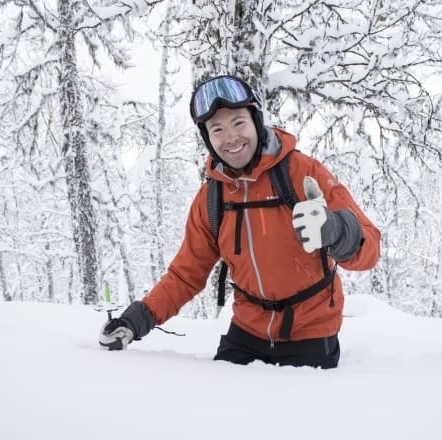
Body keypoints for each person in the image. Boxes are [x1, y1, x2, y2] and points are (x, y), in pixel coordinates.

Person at [99, 74, 381, 369]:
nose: (230, 138)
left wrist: (335, 230)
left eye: (238, 123)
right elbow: (185, 275)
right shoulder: (212, 198)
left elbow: (370, 246)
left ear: (256, 121)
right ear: (208, 138)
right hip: (247, 332)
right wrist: (135, 320)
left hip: (311, 332)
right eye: (217, 129)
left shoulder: (303, 173)